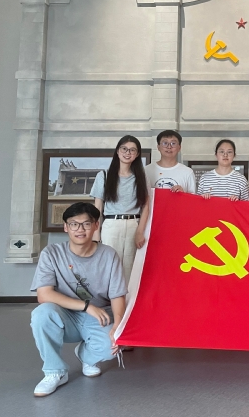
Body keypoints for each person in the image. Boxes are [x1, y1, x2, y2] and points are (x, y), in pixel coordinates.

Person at [30, 202, 126, 397]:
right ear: (66, 227)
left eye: (86, 224)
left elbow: (117, 295)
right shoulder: (52, 253)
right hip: (65, 315)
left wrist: (118, 325)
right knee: (42, 314)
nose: (80, 229)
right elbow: (44, 294)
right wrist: (86, 306)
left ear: (96, 225)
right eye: (74, 224)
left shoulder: (109, 255)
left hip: (100, 316)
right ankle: (54, 371)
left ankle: (86, 356)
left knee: (111, 346)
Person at [90, 135, 150, 285]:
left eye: (132, 150)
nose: (128, 153)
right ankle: (110, 300)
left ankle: (128, 301)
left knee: (131, 271)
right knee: (110, 268)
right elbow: (97, 208)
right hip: (111, 225)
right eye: (124, 148)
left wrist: (139, 232)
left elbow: (145, 207)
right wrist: (95, 235)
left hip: (133, 224)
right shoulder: (103, 175)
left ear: (137, 154)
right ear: (117, 151)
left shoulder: (141, 177)